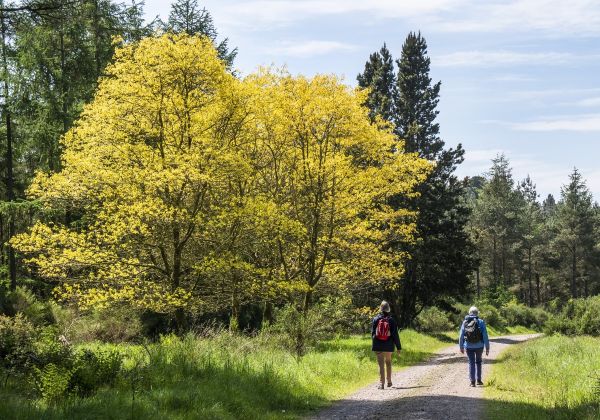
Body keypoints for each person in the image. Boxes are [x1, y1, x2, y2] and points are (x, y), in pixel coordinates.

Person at [371, 300, 401, 389]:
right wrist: (398, 347)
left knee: (381, 364)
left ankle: (381, 383)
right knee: (388, 362)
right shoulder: (392, 320)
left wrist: (375, 342)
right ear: (388, 309)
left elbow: (372, 333)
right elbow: (395, 335)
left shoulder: (375, 319)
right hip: (389, 344)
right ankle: (389, 381)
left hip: (378, 344)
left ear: (380, 309)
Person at [459, 306, 490, 387]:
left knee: (471, 362)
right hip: (479, 346)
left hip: (468, 346)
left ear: (469, 313)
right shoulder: (481, 321)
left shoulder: (465, 322)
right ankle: (479, 380)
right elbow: (485, 335)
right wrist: (487, 347)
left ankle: (472, 382)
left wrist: (461, 346)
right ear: (477, 313)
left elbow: (461, 335)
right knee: (479, 362)